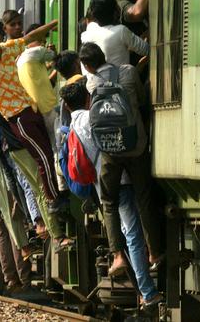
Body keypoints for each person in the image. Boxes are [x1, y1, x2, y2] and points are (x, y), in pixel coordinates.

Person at [0, 17, 71, 249]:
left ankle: (55, 217)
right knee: (40, 175)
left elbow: (29, 38)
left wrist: (53, 24)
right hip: (15, 130)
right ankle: (56, 228)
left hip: (30, 113)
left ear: (1, 37)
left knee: (47, 162)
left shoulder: (10, 49)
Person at [62, 82, 160, 307]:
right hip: (122, 179)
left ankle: (144, 291)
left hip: (101, 185)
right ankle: (146, 290)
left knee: (126, 234)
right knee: (133, 234)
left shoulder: (72, 126)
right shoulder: (94, 117)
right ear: (88, 99)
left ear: (67, 106)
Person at [78, 42, 162, 286]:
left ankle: (117, 255)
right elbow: (143, 99)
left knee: (109, 201)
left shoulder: (91, 84)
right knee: (144, 197)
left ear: (86, 66)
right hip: (136, 146)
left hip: (110, 150)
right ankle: (155, 251)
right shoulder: (129, 71)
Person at [81, 0, 149, 68]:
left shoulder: (88, 32)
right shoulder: (121, 31)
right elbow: (146, 50)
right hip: (121, 79)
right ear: (116, 11)